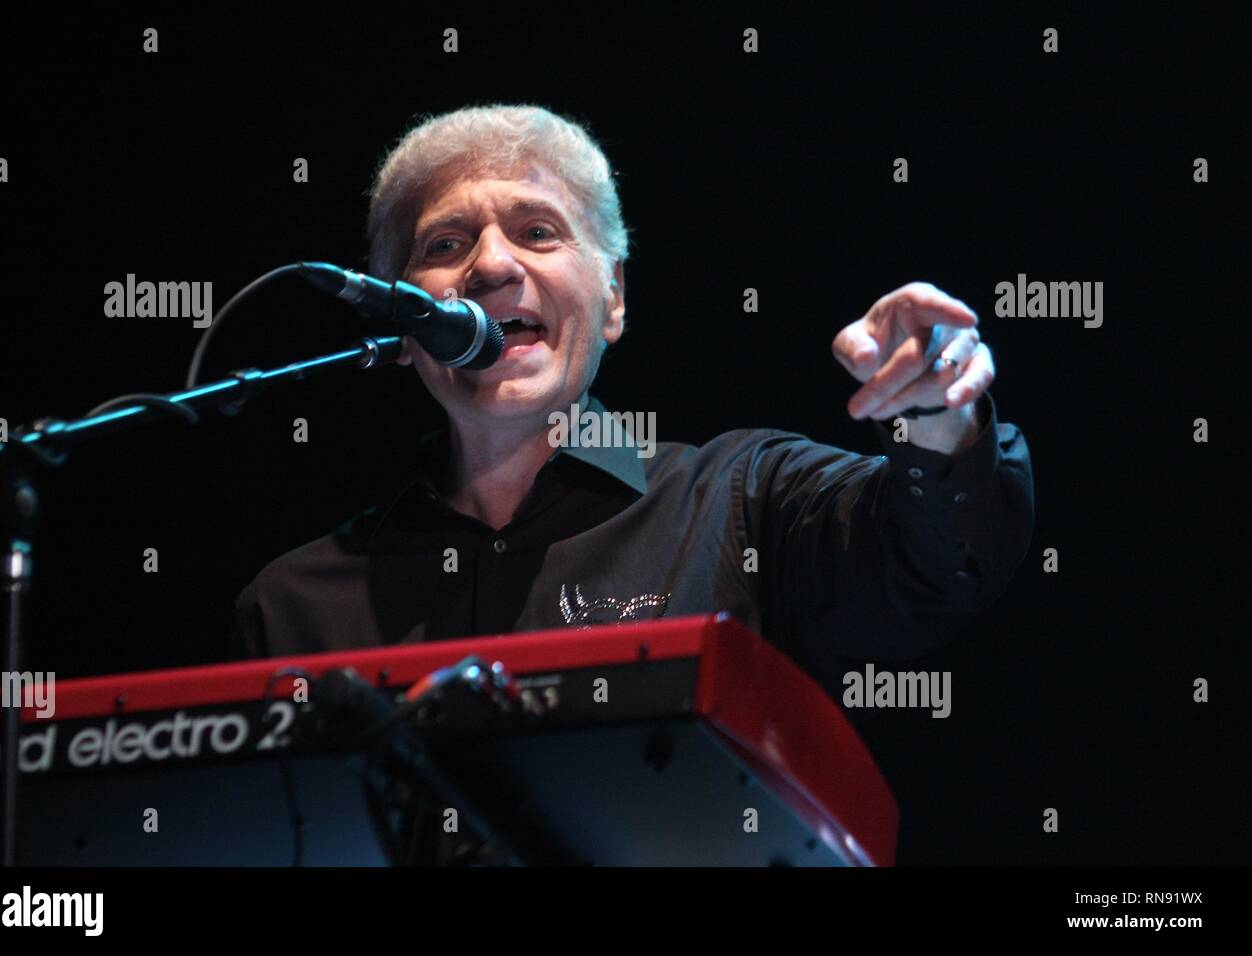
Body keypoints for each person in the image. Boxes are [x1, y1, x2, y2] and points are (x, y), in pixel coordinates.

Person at [231, 102, 1033, 694]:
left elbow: (940, 563)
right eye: (445, 244)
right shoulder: (293, 608)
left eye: (539, 231)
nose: (489, 266)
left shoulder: (741, 500)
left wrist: (937, 411)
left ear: (613, 297)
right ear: (404, 325)